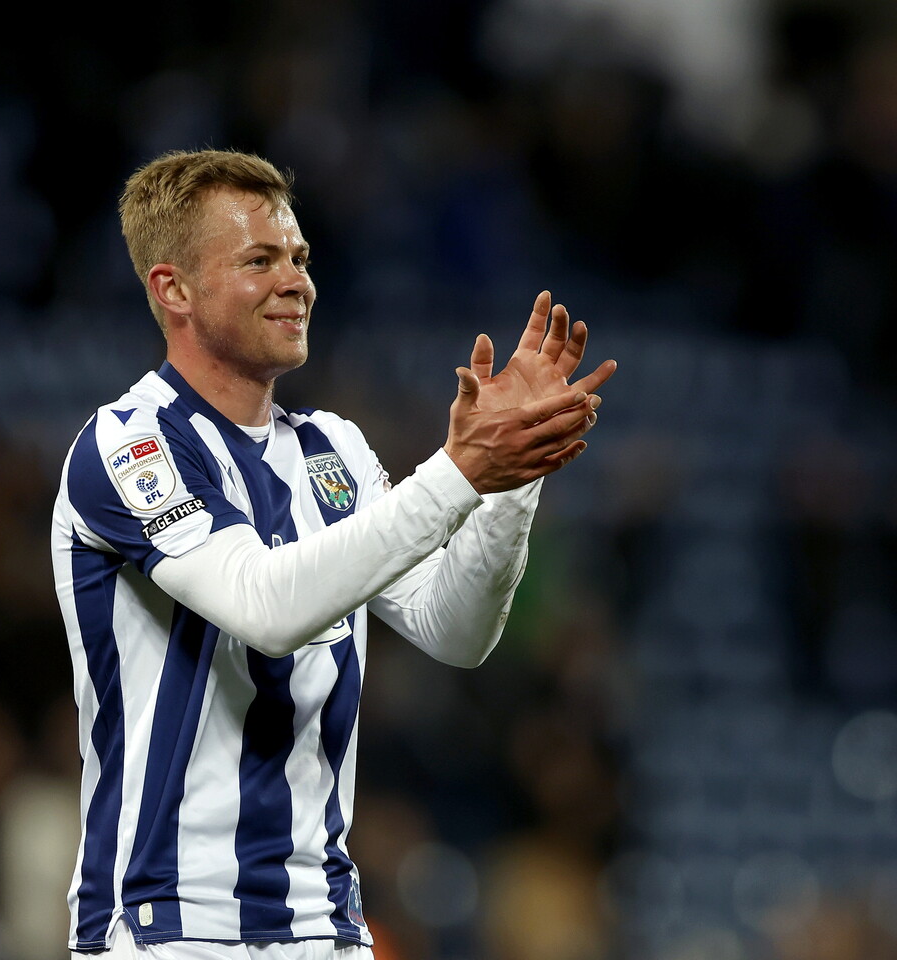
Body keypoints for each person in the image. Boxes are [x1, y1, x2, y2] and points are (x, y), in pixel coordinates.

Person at [50, 149, 615, 959]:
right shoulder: (128, 444)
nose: (297, 283)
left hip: (327, 929)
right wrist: (460, 470)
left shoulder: (333, 452)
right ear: (173, 289)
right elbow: (264, 607)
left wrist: (509, 481)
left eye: (300, 257)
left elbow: (456, 630)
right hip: (167, 927)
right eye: (260, 260)